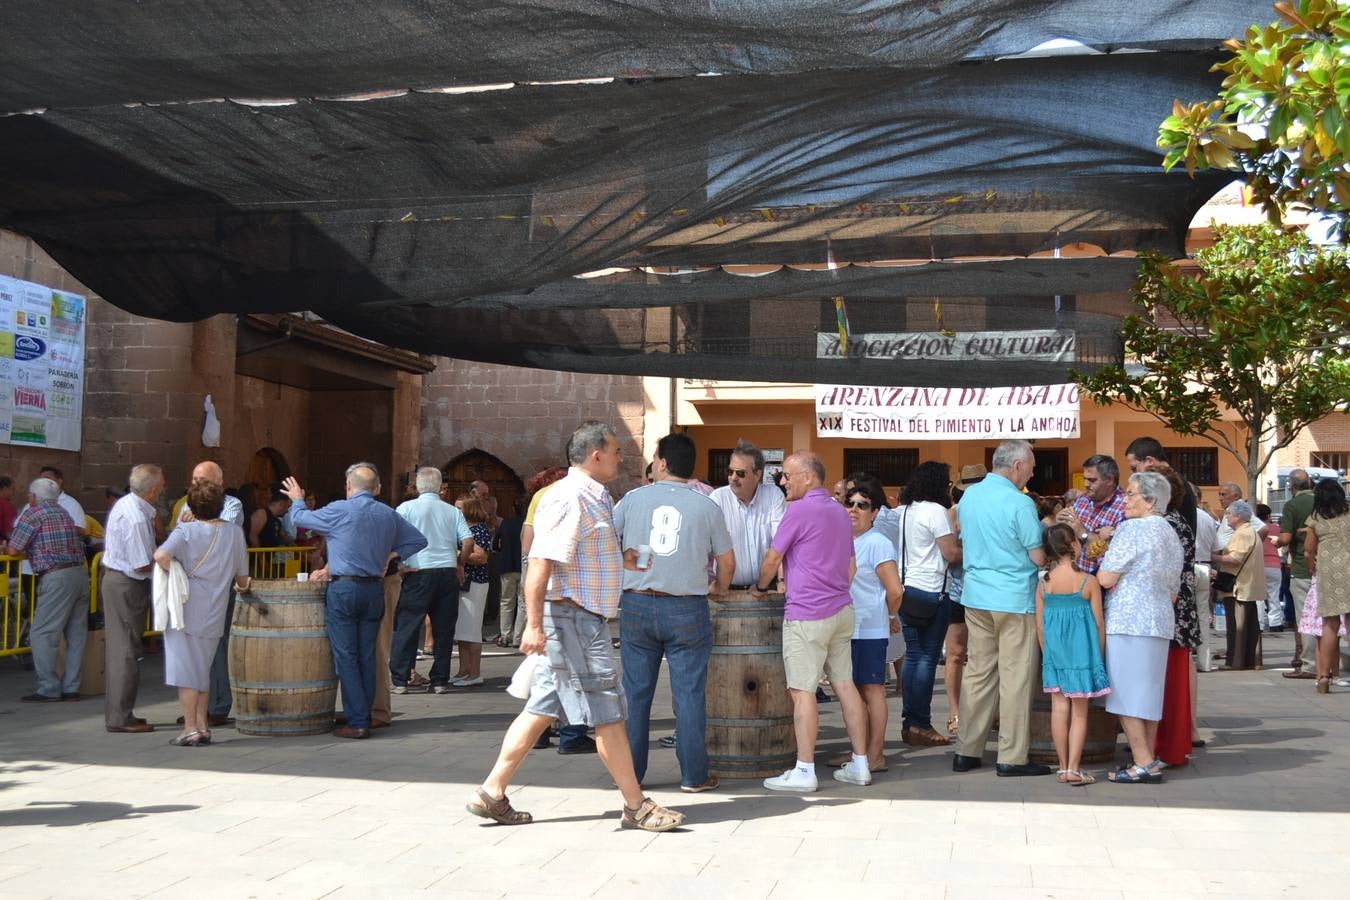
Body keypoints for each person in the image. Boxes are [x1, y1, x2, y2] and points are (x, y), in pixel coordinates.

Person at [467, 421, 685, 832]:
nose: (623, 458)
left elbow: (581, 555)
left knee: (540, 709)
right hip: (574, 619)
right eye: (618, 451)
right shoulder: (569, 498)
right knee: (607, 711)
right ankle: (635, 805)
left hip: (578, 617)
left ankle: (491, 792)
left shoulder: (593, 496)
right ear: (596, 455)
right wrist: (533, 625)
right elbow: (541, 562)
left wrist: (624, 560)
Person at [614, 432, 734, 793]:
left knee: (636, 694)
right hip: (687, 606)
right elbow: (726, 561)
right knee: (690, 694)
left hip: (636, 601)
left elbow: (611, 544)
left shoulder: (632, 499)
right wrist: (719, 588)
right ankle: (694, 776)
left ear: (662, 463)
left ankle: (632, 776)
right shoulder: (707, 505)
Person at [754, 451, 872, 792]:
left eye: (788, 475)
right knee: (846, 685)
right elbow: (850, 568)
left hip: (806, 614)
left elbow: (772, 558)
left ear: (808, 477)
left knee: (802, 691)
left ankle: (805, 770)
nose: (783, 481)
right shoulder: (839, 512)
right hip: (841, 611)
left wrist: (761, 587)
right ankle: (860, 765)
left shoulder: (798, 511)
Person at [282, 463, 427, 738]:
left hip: (344, 589)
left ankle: (357, 720)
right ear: (377, 489)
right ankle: (365, 714)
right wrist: (392, 555)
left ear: (349, 487)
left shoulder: (339, 509)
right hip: (374, 589)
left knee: (346, 656)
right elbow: (418, 541)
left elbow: (300, 519)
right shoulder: (388, 514)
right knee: (367, 654)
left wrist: (297, 498)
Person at [951, 441, 1050, 777]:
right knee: (1015, 678)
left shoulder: (969, 497)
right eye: (1032, 466)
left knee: (978, 674)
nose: (1033, 472)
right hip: (1013, 597)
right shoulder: (1019, 503)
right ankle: (1012, 755)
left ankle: (967, 749)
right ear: (1018, 465)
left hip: (977, 595)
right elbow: (1038, 556)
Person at [1096, 471, 1183, 784]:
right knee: (1148, 693)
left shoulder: (1132, 529)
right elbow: (1174, 588)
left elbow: (1106, 577)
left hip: (1129, 618)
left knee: (1126, 694)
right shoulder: (1170, 532)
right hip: (1159, 618)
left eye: (1132, 494)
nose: (1125, 500)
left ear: (1151, 500)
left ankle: (1143, 760)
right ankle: (1147, 758)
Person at [154, 481, 250, 746]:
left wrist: (177, 572)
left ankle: (190, 728)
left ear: (191, 506)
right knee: (203, 669)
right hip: (215, 608)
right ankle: (203, 725)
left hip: (186, 607)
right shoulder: (234, 533)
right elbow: (243, 579)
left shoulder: (185, 531)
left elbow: (161, 555)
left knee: (185, 670)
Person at [836, 479, 902, 772]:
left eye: (862, 505)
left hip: (868, 628)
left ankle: (875, 755)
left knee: (872, 690)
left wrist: (888, 617)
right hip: (848, 628)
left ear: (874, 512)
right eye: (849, 503)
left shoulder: (877, 542)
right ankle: (858, 752)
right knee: (855, 692)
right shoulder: (847, 540)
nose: (853, 510)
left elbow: (896, 590)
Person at [1035, 524, 1108, 786]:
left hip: (1054, 655)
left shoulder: (1044, 584)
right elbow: (1099, 624)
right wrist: (1098, 656)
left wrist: (1047, 653)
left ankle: (1062, 766)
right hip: (1083, 655)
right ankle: (1074, 769)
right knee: (1080, 712)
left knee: (1059, 708)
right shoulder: (1089, 581)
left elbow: (1040, 624)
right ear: (1074, 545)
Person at [896, 461, 962, 747]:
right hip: (933, 590)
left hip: (908, 589)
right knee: (925, 659)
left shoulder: (907, 509)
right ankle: (920, 723)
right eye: (948, 483)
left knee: (913, 656)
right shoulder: (936, 511)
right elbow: (950, 553)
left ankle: (910, 721)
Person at [391, 467, 472, 694]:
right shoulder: (451, 511)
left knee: (407, 626)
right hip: (446, 571)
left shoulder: (406, 508)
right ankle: (439, 681)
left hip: (417, 571)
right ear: (439, 488)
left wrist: (399, 565)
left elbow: (392, 536)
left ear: (417, 486)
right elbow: (467, 541)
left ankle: (400, 680)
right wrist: (460, 564)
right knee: (444, 628)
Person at [176, 461, 246, 728]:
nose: (196, 484)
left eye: (202, 479)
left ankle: (218, 705)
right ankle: (196, 712)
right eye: (194, 478)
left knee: (216, 648)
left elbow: (217, 529)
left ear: (219, 481)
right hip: (192, 588)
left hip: (218, 585)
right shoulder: (186, 504)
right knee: (193, 651)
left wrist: (194, 525)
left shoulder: (233, 504)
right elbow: (181, 536)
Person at [7, 478, 87, 702]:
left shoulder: (33, 513)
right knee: (75, 635)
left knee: (41, 633)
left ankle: (49, 687)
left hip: (56, 576)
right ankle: (71, 687)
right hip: (79, 574)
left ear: (34, 497)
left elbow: (13, 549)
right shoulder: (63, 512)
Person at [101, 464, 166, 733]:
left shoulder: (130, 504)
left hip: (121, 580)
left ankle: (120, 713)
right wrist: (168, 564)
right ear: (153, 490)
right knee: (125, 652)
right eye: (161, 486)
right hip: (127, 583)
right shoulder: (137, 517)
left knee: (124, 649)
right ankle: (120, 716)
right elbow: (141, 564)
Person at [1152, 464, 1199, 767]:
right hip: (1179, 612)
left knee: (1169, 684)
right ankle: (1173, 745)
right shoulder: (1176, 521)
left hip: (1170, 613)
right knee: (1172, 684)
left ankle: (1168, 747)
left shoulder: (1165, 523)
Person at [710, 439, 787, 591]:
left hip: (766, 589)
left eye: (740, 473)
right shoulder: (717, 498)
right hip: (727, 590)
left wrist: (781, 580)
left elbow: (781, 544)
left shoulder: (773, 496)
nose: (733, 477)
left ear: (757, 474)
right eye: (730, 471)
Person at [943, 464, 984, 737]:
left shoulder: (991, 509)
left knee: (984, 655)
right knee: (956, 653)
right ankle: (955, 712)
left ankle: (987, 712)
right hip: (958, 589)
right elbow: (949, 552)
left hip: (983, 589)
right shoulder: (951, 514)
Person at [1302, 479, 1350, 694]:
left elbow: (1308, 551)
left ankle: (1323, 678)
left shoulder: (1315, 518)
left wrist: (1312, 567)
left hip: (1329, 573)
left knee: (1330, 625)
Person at [1213, 500, 1263, 670]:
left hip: (1238, 587)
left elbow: (1235, 559)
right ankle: (1251, 660)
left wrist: (1214, 558)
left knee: (1237, 627)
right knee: (1250, 626)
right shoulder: (1251, 532)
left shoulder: (1242, 534)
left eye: (1229, 514)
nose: (1226, 517)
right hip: (1248, 586)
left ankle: (1236, 661)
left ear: (1238, 516)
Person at [1279, 469, 1318, 677]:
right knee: (1329, 619)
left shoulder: (1292, 505)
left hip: (1303, 566)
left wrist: (1278, 540)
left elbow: (1285, 538)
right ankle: (1328, 664)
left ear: (1292, 486)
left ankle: (1309, 664)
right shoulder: (1324, 502)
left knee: (1306, 617)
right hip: (1328, 566)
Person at [1060, 454, 1127, 575]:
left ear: (1110, 480)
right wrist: (1061, 523)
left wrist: (1083, 533)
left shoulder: (1126, 507)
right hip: (1077, 578)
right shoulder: (1083, 500)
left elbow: (1117, 555)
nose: (1085, 484)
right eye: (1085, 478)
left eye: (1092, 480)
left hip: (1104, 584)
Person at [452, 496, 492, 686]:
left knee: (472, 629)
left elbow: (481, 557)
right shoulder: (463, 529)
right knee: (462, 630)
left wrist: (458, 554)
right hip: (463, 584)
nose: (456, 511)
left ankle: (475, 673)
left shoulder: (479, 530)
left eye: (459, 508)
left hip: (475, 583)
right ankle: (463, 670)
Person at [494, 497, 525, 646]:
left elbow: (495, 544)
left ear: (514, 509)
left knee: (506, 602)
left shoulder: (506, 523)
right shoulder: (529, 524)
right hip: (524, 567)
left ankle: (506, 635)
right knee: (522, 603)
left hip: (507, 566)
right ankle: (518, 638)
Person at [1254, 503, 1284, 632]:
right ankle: (1275, 623)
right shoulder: (1276, 528)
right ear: (1268, 515)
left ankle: (1259, 623)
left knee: (1258, 597)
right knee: (1274, 594)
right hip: (1274, 564)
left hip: (1258, 564)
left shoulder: (1253, 528)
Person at [0, 475, 19, 540]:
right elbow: (10, 533)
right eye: (12, 489)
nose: (13, 493)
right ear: (5, 489)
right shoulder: (8, 507)